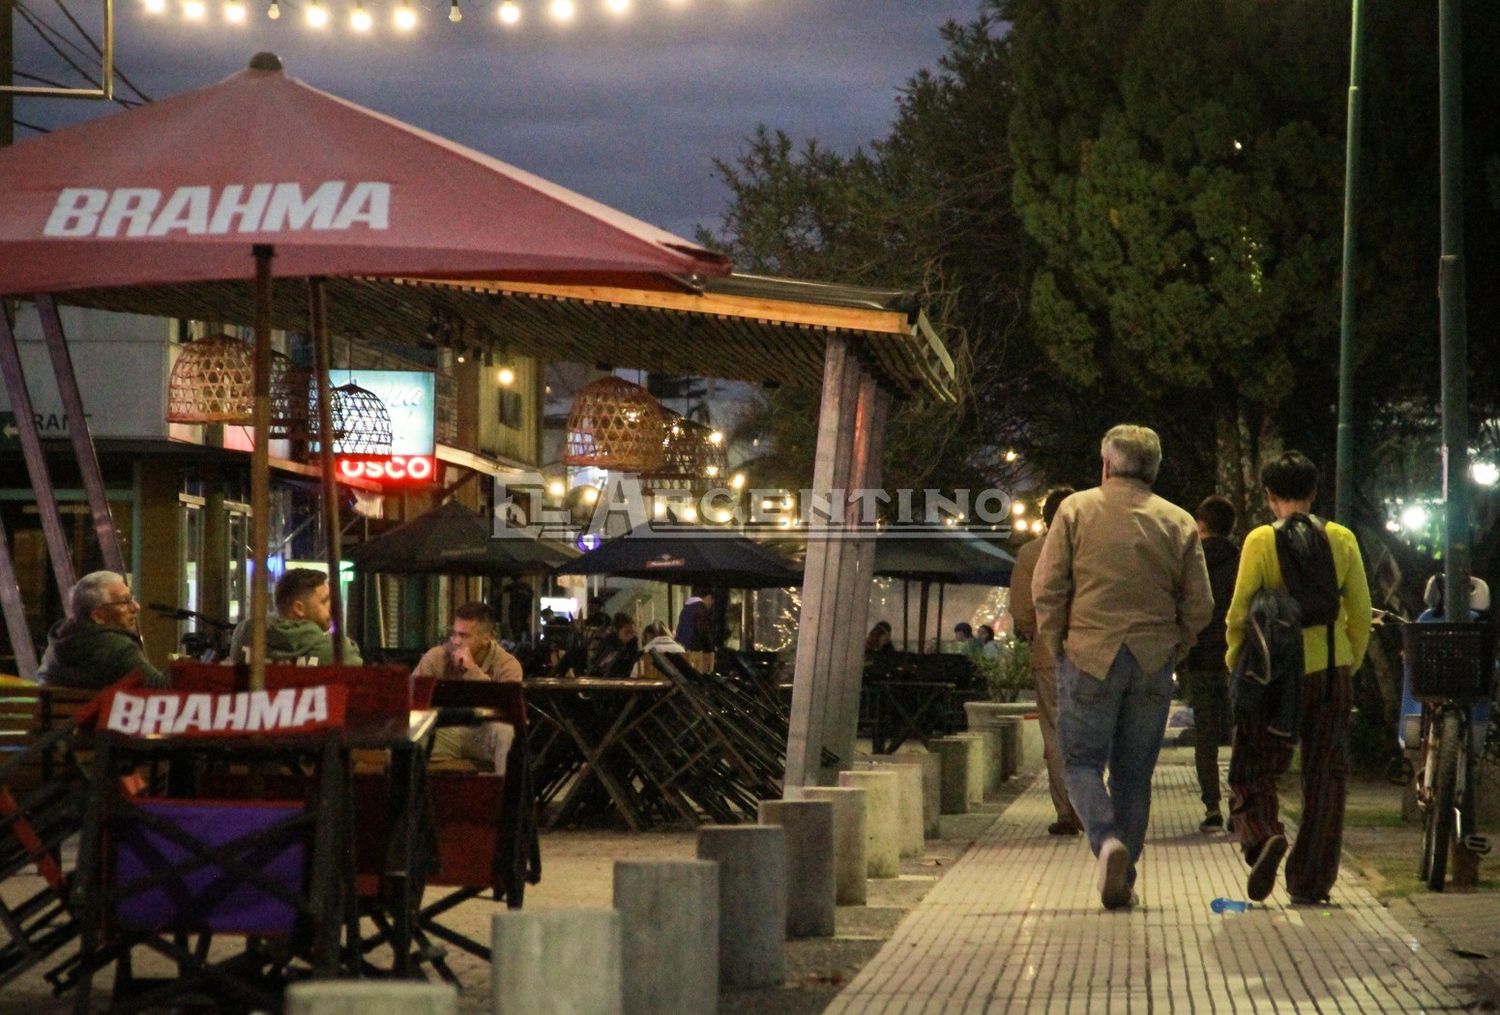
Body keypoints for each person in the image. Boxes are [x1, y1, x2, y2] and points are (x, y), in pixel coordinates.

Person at [1033, 424, 1213, 910]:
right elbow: (1200, 604)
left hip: (1089, 653)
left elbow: (1047, 588)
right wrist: (1177, 646)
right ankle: (1125, 874)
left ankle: (1106, 841)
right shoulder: (1178, 522)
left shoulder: (1075, 510)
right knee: (1135, 774)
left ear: (1107, 465)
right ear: (1153, 469)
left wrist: (1057, 643)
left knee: (1080, 763)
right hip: (1152, 660)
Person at [1224, 452, 1371, 905]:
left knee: (1253, 763)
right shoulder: (1342, 538)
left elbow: (1239, 612)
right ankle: (1310, 882)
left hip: (1276, 674)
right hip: (1333, 670)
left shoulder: (1261, 540)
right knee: (1326, 776)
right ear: (1313, 493)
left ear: (1269, 496)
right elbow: (1361, 612)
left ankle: (1264, 834)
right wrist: (1349, 661)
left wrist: (1237, 664)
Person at [1008, 486, 1082, 836]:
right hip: (1094, 653)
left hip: (1049, 654)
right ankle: (1093, 804)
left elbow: (1022, 609)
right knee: (1091, 729)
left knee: (1055, 732)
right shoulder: (1093, 551)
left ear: (1045, 517)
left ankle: (1066, 811)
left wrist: (1035, 635)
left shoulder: (1030, 554)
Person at [1181, 494, 1241, 833]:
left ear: (1201, 525)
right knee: (1238, 734)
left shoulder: (1192, 561)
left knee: (1205, 736)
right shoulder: (1241, 560)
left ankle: (1212, 807)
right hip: (1235, 658)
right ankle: (1238, 804)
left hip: (1201, 657)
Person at [413, 602, 522, 775]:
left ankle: (504, 797)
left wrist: (471, 671)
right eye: (454, 634)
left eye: (464, 636)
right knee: (409, 735)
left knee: (506, 731)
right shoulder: (436, 657)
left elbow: (505, 710)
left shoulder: (507, 664)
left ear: (487, 638)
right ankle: (410, 798)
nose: (456, 641)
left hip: (483, 733)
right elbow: (413, 698)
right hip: (444, 730)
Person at [38, 570, 171, 690]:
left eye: (132, 598)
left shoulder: (57, 644)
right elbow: (161, 690)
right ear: (98, 616)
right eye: (125, 601)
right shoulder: (117, 649)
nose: (136, 607)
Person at [229, 568, 363, 665]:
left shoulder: (244, 635)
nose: (332, 607)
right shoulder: (339, 652)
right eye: (324, 601)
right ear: (299, 608)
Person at [590, 612, 640, 678]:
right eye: (627, 633)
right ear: (616, 631)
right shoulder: (610, 647)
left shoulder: (630, 647)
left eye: (632, 632)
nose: (631, 636)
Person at [675, 587, 716, 652]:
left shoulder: (686, 608)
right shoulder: (700, 608)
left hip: (682, 648)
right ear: (709, 597)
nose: (711, 604)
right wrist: (711, 649)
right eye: (712, 601)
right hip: (694, 651)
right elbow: (703, 632)